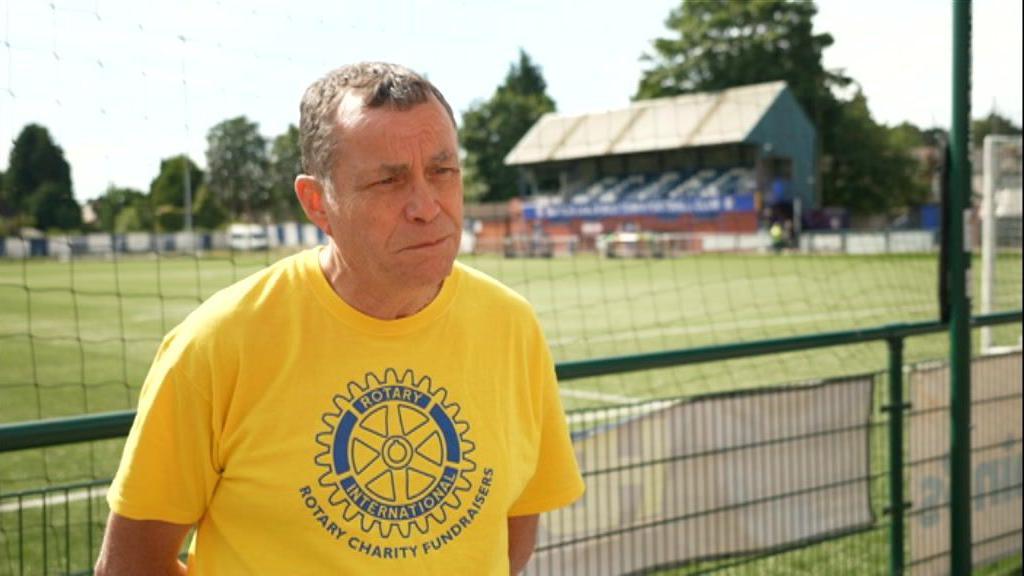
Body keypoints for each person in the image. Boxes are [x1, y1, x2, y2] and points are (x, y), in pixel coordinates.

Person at [95, 62, 585, 575]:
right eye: (388, 181)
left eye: (442, 171)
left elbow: (517, 516)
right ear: (317, 202)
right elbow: (131, 565)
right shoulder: (216, 345)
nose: (426, 205)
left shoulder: (511, 325)